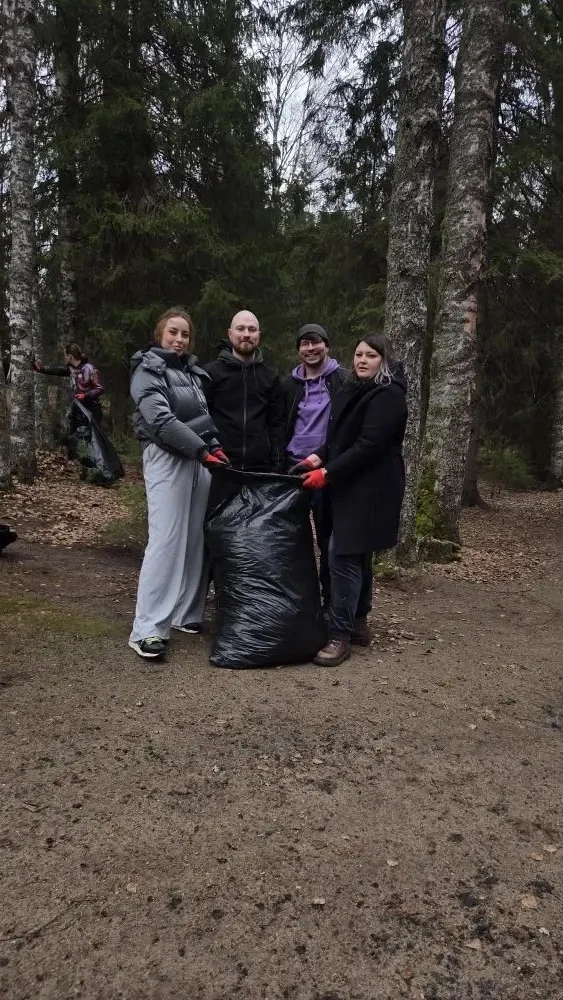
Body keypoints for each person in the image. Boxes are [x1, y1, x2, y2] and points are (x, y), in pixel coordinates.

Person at [295, 333, 408, 667]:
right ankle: (358, 623)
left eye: (370, 355)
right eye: (358, 354)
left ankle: (339, 636)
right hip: (348, 485)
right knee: (358, 554)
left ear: (383, 361)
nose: (362, 360)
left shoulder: (388, 396)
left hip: (371, 489)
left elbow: (368, 445)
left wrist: (328, 473)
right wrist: (317, 457)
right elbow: (340, 439)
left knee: (342, 554)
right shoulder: (354, 389)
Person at [128, 307, 229, 660]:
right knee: (167, 539)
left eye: (185, 334)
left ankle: (185, 614)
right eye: (173, 332)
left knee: (196, 538)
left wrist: (213, 447)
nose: (179, 339)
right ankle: (147, 630)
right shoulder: (147, 370)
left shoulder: (191, 373)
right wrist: (202, 450)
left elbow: (202, 419)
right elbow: (160, 420)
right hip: (167, 456)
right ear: (160, 335)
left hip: (198, 460)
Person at [283, 324, 348, 610]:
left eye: (316, 342)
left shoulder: (342, 379)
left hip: (326, 469)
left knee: (327, 536)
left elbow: (348, 425)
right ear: (299, 349)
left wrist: (328, 459)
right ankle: (297, 602)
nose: (310, 348)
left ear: (327, 345)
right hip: (293, 467)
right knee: (291, 538)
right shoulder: (290, 385)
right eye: (305, 344)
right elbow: (280, 425)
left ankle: (330, 600)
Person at [203, 310, 286, 474]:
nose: (246, 334)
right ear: (230, 333)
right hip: (218, 467)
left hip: (260, 470)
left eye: (252, 329)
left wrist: (277, 466)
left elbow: (277, 426)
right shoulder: (210, 374)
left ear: (259, 335)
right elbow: (202, 418)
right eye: (240, 329)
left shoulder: (270, 377)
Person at [33, 344, 104, 426]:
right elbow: (57, 370)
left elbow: (99, 388)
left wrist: (85, 395)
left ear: (70, 356)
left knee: (91, 433)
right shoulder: (71, 369)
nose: (64, 358)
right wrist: (40, 369)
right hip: (79, 410)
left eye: (65, 355)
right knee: (76, 432)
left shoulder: (89, 369)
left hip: (92, 410)